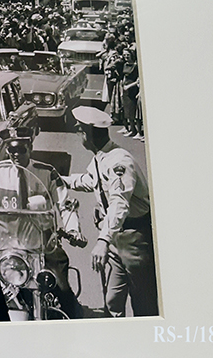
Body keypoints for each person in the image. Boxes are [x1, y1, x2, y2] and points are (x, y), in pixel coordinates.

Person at [0, 127, 87, 318]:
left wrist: (73, 229)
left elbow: (65, 204)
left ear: (30, 148)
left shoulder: (47, 172)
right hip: (7, 243)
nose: (16, 154)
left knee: (61, 287)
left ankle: (74, 322)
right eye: (11, 149)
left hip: (42, 243)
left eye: (21, 149)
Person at [63, 106, 157, 317]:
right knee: (112, 301)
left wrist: (103, 241)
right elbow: (90, 181)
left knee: (144, 301)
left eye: (79, 130)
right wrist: (61, 180)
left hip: (133, 239)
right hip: (115, 236)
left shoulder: (119, 162)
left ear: (85, 134)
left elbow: (119, 203)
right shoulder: (102, 157)